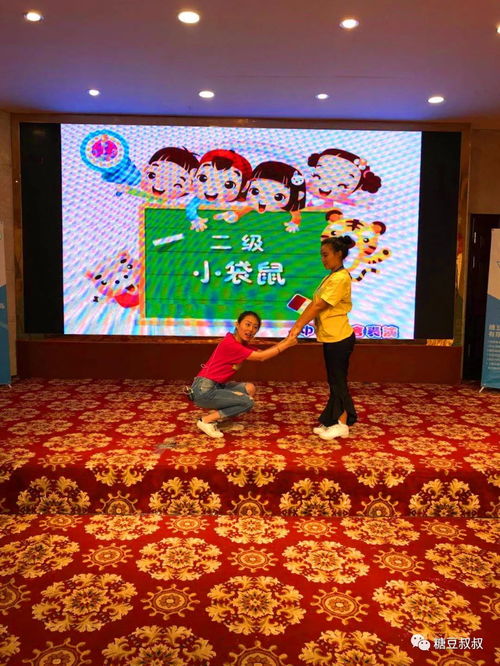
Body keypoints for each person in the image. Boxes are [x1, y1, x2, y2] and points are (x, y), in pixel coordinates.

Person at [288, 236, 357, 440]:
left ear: (339, 254)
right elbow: (316, 303)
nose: (323, 259)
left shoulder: (340, 278)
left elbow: (319, 305)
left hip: (339, 337)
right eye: (321, 255)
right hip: (330, 336)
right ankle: (331, 420)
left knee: (338, 381)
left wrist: (298, 325)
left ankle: (342, 423)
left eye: (326, 255)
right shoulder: (332, 276)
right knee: (333, 380)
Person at [191, 311, 297, 438]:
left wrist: (287, 340)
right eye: (248, 324)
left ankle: (222, 422)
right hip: (203, 390)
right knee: (247, 402)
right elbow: (261, 357)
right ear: (237, 324)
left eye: (255, 327)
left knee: (249, 388)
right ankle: (205, 421)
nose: (251, 329)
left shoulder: (240, 344)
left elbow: (264, 353)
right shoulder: (231, 344)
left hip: (216, 386)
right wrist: (287, 344)